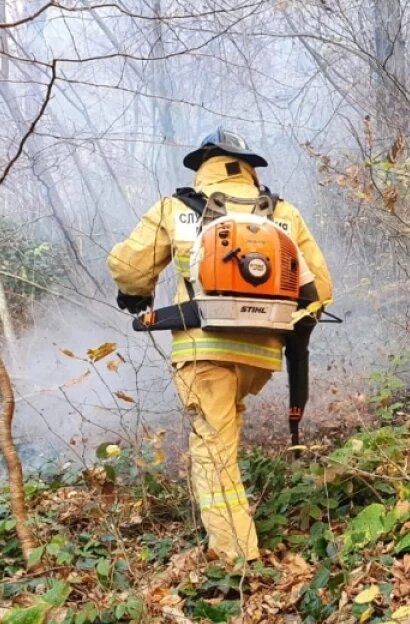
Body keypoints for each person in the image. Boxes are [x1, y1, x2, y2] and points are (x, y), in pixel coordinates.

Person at [107, 127, 333, 565]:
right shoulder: (282, 213)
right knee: (226, 430)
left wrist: (135, 296)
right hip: (263, 354)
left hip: (203, 348)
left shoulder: (176, 208)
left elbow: (128, 267)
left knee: (212, 450)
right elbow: (320, 289)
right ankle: (238, 535)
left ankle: (236, 558)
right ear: (248, 168)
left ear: (203, 165)